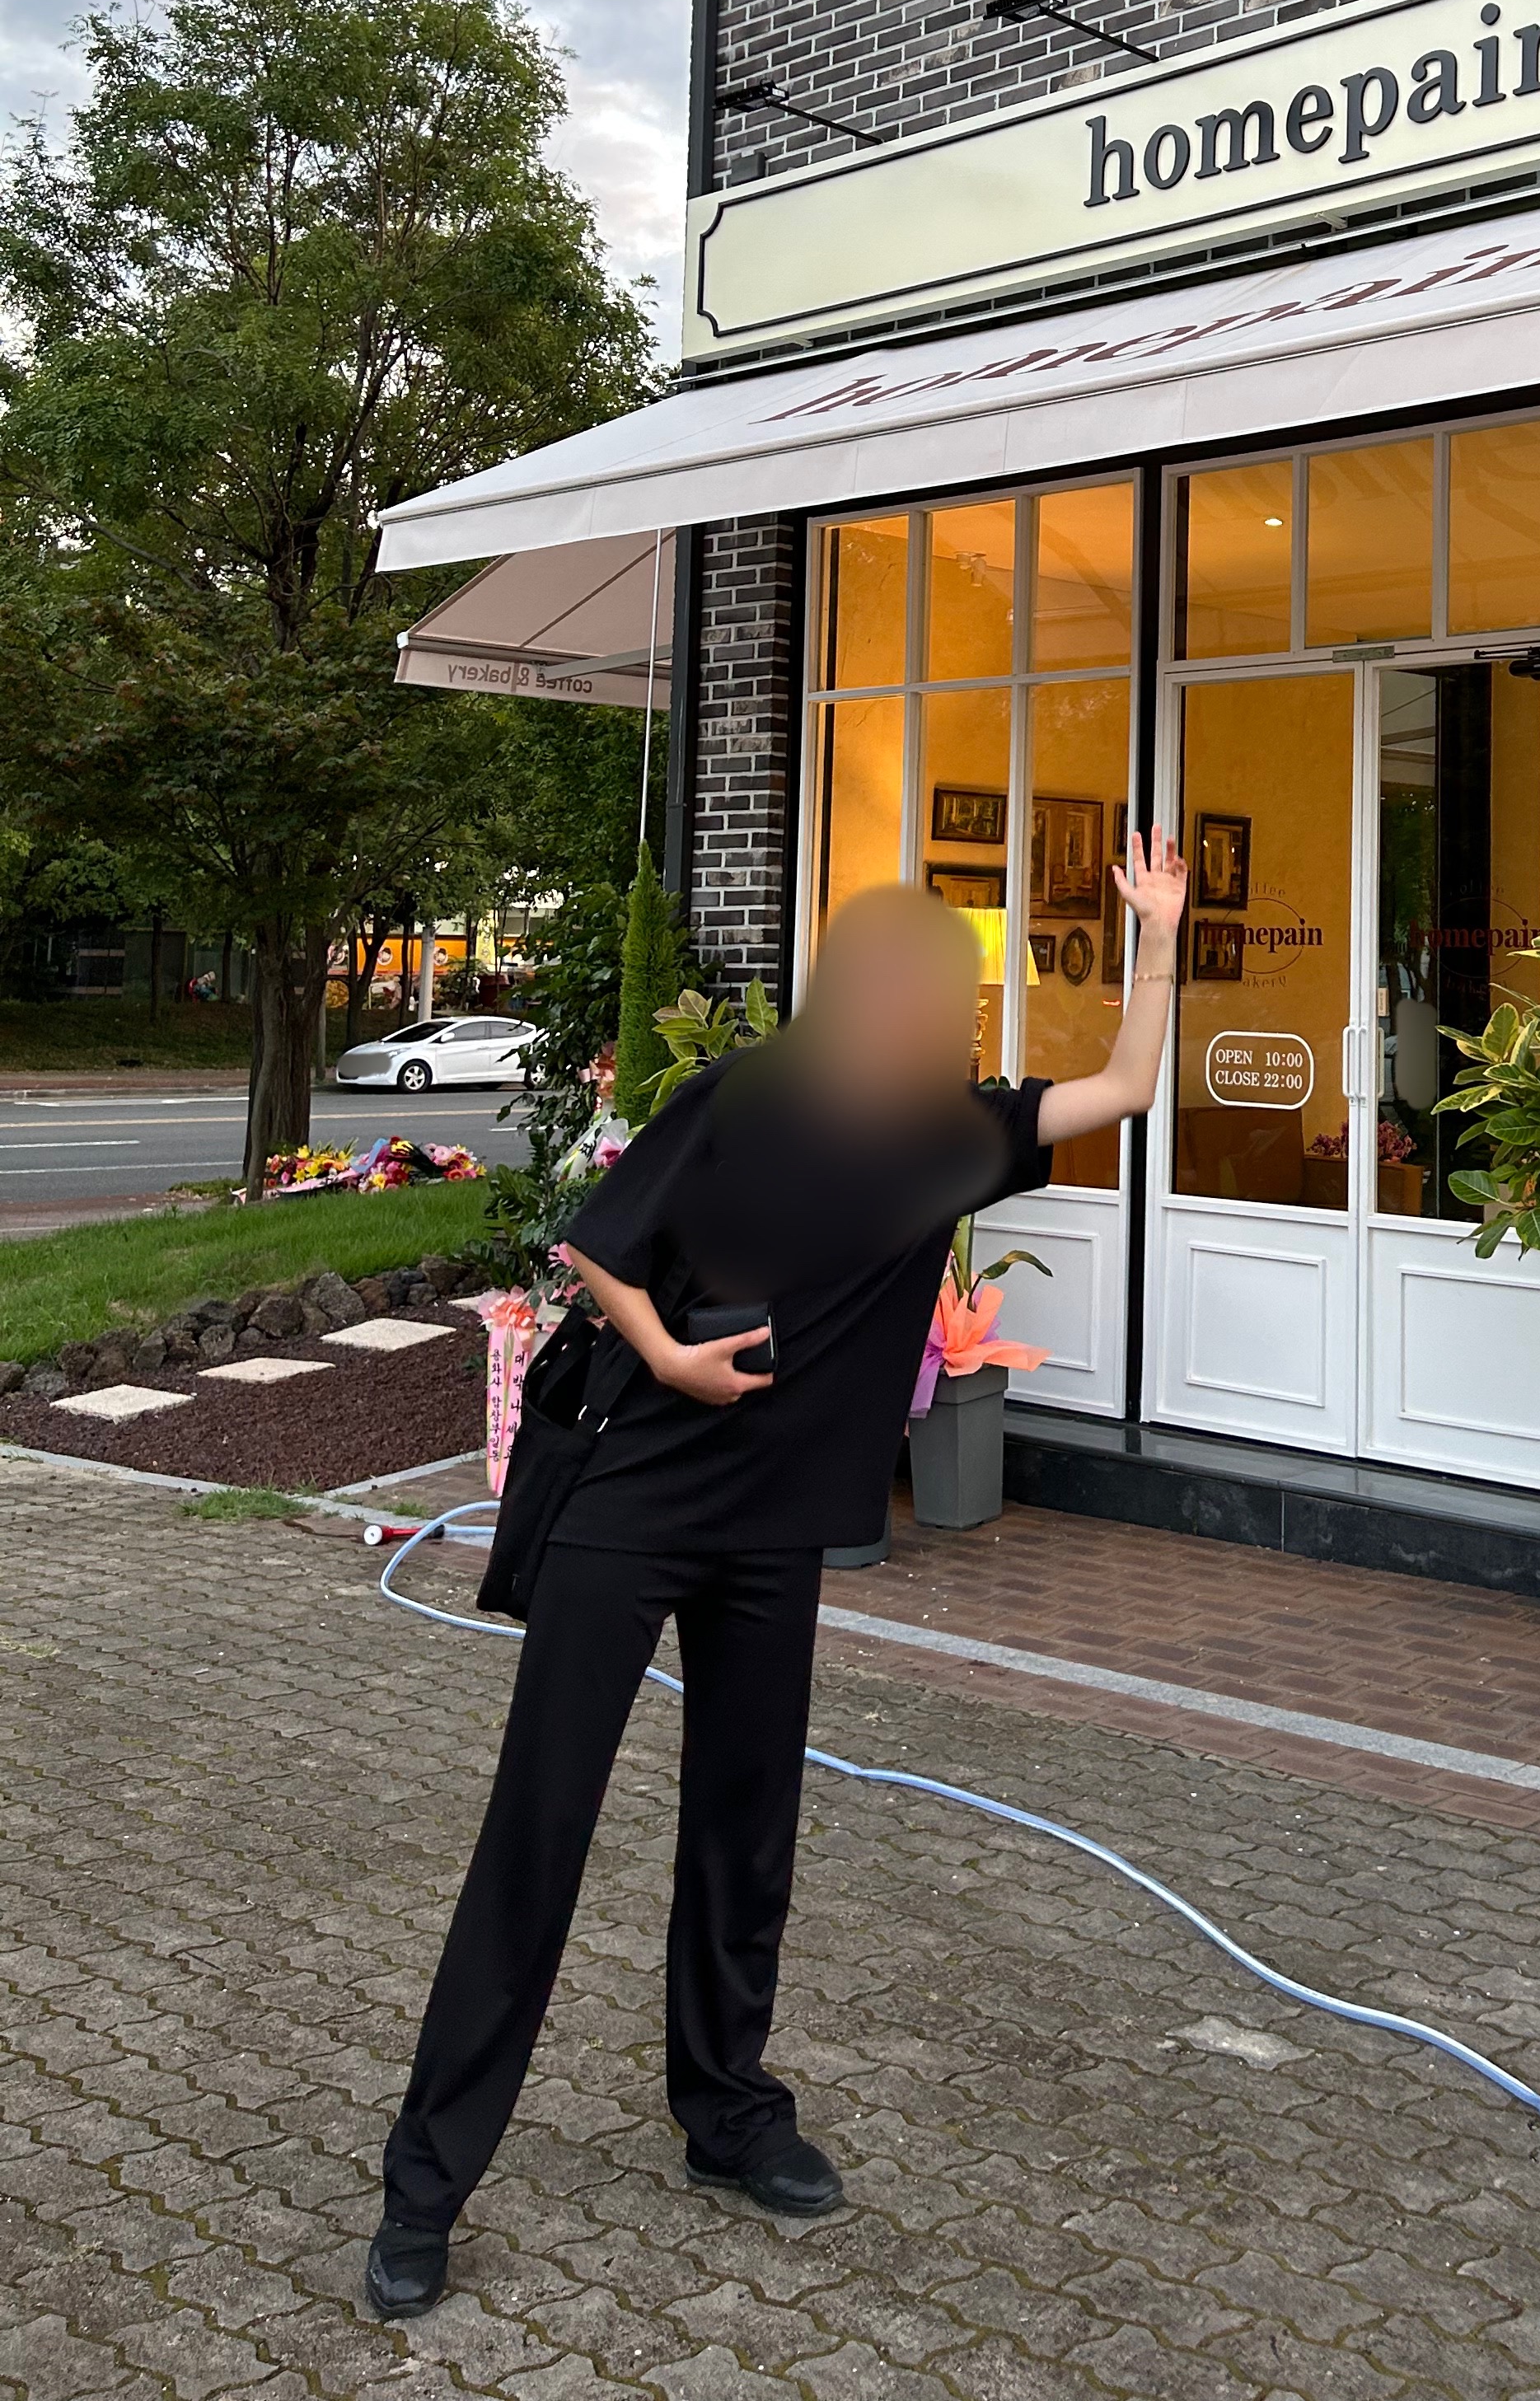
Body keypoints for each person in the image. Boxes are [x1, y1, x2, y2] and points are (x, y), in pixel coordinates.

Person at [365, 833, 1187, 2319]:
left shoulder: (953, 1138)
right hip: (637, 1500)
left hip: (773, 1532)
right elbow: (599, 1248)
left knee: (746, 1832)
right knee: (540, 1828)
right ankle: (424, 2184)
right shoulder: (743, 1098)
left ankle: (728, 2112)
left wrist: (1162, 932)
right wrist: (671, 1357)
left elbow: (1127, 1086)